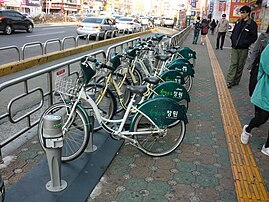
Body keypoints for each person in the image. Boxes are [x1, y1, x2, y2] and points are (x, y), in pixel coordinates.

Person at [241, 40, 269, 157]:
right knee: (261, 118)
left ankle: (267, 146)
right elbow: (266, 65)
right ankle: (248, 129)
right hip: (266, 90)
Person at [226, 5, 258, 88]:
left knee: (240, 65)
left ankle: (236, 80)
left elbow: (254, 37)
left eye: (243, 13)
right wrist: (232, 39)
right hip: (234, 47)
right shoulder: (238, 22)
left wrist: (246, 43)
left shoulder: (252, 24)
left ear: (248, 13)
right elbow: (234, 33)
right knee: (233, 64)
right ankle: (230, 81)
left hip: (244, 48)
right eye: (241, 13)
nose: (241, 14)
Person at [246, 25, 269, 96]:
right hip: (259, 66)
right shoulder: (263, 36)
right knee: (254, 87)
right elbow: (255, 51)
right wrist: (250, 66)